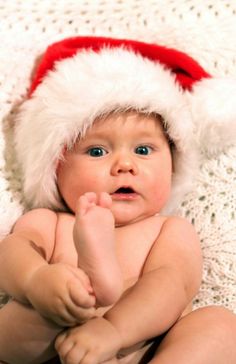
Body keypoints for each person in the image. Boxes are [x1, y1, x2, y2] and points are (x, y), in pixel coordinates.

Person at [0, 36, 235, 364]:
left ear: (173, 164)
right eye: (97, 151)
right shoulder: (51, 222)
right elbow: (12, 251)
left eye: (143, 150)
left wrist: (114, 329)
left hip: (143, 344)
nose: (125, 165)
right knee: (20, 320)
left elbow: (172, 284)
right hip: (64, 341)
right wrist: (36, 279)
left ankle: (98, 287)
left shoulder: (167, 230)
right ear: (55, 168)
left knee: (220, 325)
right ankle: (88, 287)